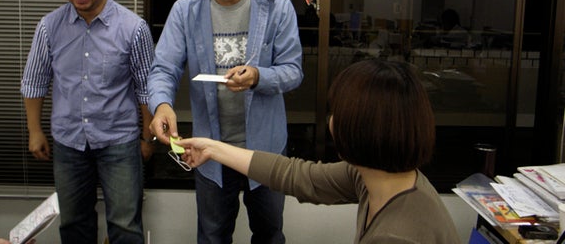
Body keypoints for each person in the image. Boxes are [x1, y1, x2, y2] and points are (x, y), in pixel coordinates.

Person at [175, 59, 461, 244]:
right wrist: (212, 148)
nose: (331, 120)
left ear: (362, 130)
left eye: (336, 112)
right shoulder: (378, 178)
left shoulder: (396, 237)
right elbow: (296, 176)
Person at [148, 0, 304, 243]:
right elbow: (164, 68)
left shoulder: (276, 7)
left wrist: (258, 77)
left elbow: (293, 72)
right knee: (213, 236)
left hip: (265, 152)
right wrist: (161, 105)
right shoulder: (185, 11)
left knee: (269, 234)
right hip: (210, 151)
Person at [20, 0, 155, 244]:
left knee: (125, 225)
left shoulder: (133, 28)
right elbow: (34, 81)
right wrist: (35, 131)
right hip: (68, 142)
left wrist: (148, 138)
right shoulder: (49, 26)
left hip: (119, 142)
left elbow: (146, 87)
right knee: (73, 224)